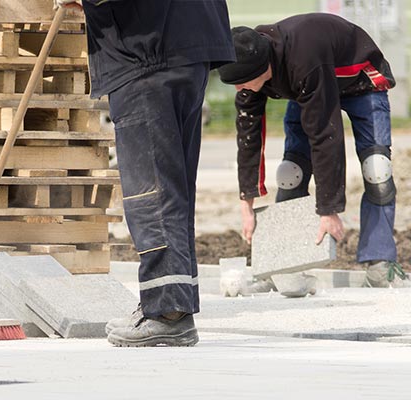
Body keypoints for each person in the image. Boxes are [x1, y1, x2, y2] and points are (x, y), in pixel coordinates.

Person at [55, 0, 235, 346]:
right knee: (173, 191)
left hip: (147, 54)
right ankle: (173, 303)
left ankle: (168, 314)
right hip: (188, 46)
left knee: (151, 194)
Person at [217, 13, 410, 288]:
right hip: (310, 87)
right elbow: (248, 138)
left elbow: (326, 135)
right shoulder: (249, 67)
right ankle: (283, 266)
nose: (239, 89)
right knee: (291, 173)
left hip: (359, 80)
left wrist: (329, 209)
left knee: (377, 169)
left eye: (241, 82)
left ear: (262, 68)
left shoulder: (303, 61)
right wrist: (246, 201)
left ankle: (380, 263)